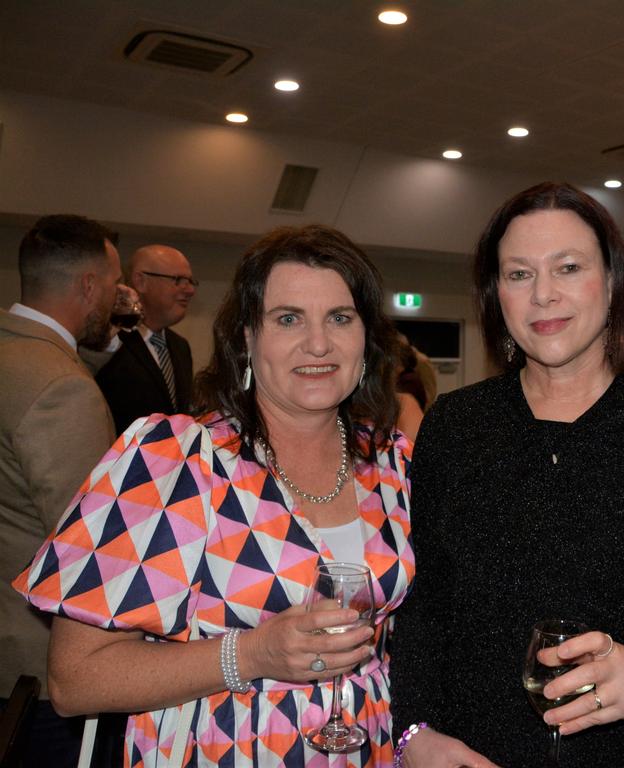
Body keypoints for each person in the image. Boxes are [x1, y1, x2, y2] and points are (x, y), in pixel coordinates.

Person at [14, 225, 414, 767]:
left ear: (367, 336)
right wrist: (250, 653)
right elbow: (76, 678)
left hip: (373, 748)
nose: (318, 343)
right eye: (288, 318)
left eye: (340, 318)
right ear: (247, 337)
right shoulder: (175, 459)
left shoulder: (393, 461)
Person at [390, 182, 624, 767]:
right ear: (495, 294)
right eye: (519, 274)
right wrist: (413, 734)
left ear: (612, 282)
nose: (543, 295)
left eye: (569, 267)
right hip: (470, 753)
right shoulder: (455, 427)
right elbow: (425, 604)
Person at [0, 214, 121, 766]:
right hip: (32, 666)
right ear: (89, 286)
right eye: (116, 284)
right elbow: (89, 546)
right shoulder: (63, 389)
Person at [93, 244, 197, 433]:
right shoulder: (107, 344)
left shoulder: (180, 347)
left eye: (190, 281)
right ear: (140, 281)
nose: (190, 290)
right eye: (179, 280)